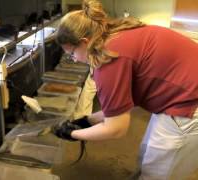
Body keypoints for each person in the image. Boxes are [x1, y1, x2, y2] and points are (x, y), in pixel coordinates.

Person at [53, 0, 198, 179]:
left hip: (189, 103)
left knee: (159, 171)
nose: (74, 59)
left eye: (72, 53)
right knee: (148, 153)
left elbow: (116, 128)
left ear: (84, 42)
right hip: (182, 90)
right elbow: (119, 107)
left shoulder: (107, 59)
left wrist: (73, 133)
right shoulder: (115, 32)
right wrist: (88, 120)